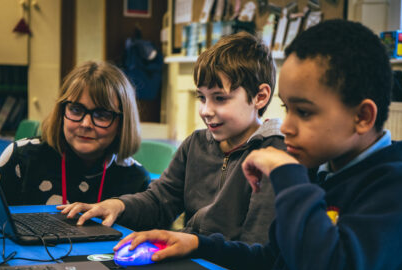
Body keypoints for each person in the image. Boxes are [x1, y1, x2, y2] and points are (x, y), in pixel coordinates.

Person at [114, 20, 402, 270]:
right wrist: (197, 245)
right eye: (287, 109)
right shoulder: (327, 172)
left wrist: (290, 176)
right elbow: (275, 263)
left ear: (362, 117)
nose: (286, 126)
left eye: (303, 112)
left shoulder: (401, 189)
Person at [59, 31, 285, 244]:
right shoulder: (196, 144)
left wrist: (192, 245)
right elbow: (159, 201)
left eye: (220, 98)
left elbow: (256, 247)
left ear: (260, 97)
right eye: (202, 98)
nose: (206, 110)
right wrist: (118, 205)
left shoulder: (273, 155)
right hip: (194, 256)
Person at [0, 61, 150, 205]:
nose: (86, 124)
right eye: (76, 109)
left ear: (122, 123)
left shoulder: (136, 180)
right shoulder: (20, 158)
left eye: (102, 114)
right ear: (61, 111)